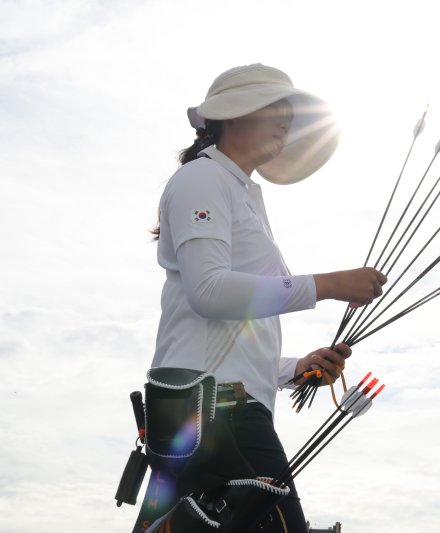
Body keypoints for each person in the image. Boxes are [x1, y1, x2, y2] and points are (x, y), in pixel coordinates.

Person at [132, 64, 387, 533]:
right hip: (218, 412)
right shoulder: (202, 180)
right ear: (234, 115)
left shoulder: (239, 191)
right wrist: (327, 285)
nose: (288, 119)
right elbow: (210, 292)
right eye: (278, 107)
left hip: (215, 410)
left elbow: (230, 338)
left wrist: (294, 367)